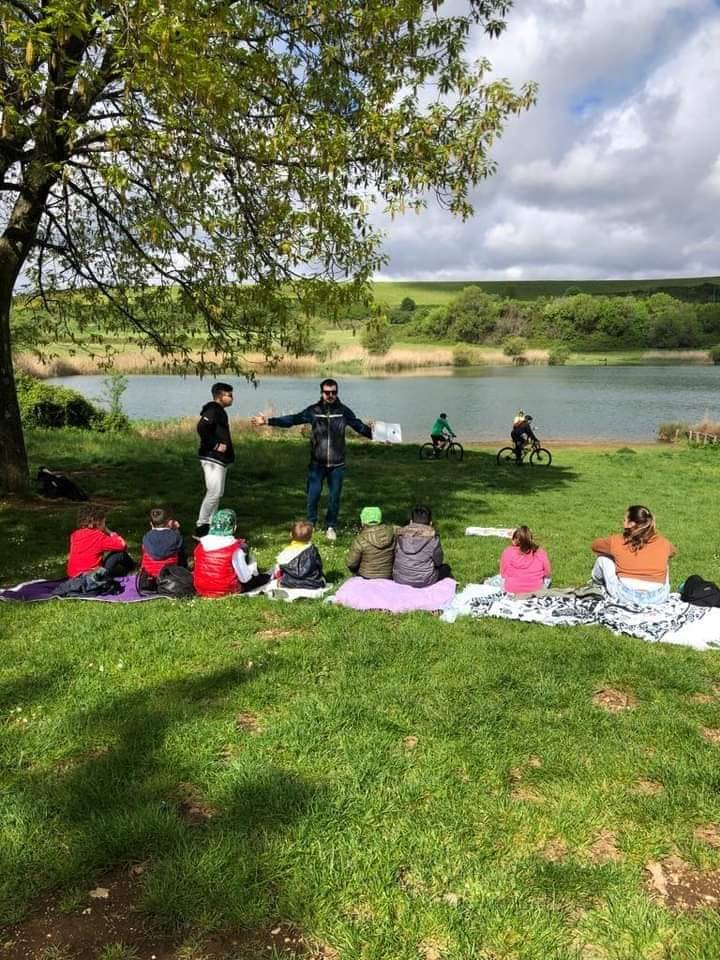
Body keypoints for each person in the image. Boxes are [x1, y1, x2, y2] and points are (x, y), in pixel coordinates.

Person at [251, 378, 371, 541]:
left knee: (334, 497)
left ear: (337, 393)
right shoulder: (313, 411)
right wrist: (267, 421)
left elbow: (360, 427)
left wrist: (379, 435)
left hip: (337, 464)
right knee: (312, 496)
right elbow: (293, 420)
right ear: (321, 393)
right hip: (317, 464)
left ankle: (331, 527)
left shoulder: (344, 412)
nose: (330, 395)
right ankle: (310, 525)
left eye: (333, 392)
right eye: (327, 392)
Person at [590, 504, 676, 606]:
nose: (623, 522)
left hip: (626, 595)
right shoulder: (664, 543)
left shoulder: (617, 541)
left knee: (603, 559)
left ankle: (597, 585)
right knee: (664, 563)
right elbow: (672, 552)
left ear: (631, 524)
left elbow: (595, 546)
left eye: (625, 520)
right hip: (658, 597)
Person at [193, 508, 267, 598]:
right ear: (234, 528)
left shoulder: (200, 545)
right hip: (226, 590)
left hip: (201, 589)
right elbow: (245, 579)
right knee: (254, 575)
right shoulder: (234, 548)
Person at [196, 382, 235, 539]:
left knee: (218, 493)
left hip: (220, 460)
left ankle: (212, 524)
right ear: (220, 396)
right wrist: (215, 445)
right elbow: (202, 427)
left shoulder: (219, 411)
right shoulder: (212, 409)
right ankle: (201, 526)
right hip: (212, 458)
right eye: (229, 395)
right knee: (214, 492)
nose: (232, 398)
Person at [67, 504, 135, 578]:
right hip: (92, 577)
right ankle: (133, 569)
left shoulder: (74, 535)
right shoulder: (99, 536)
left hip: (73, 576)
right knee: (120, 554)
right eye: (104, 523)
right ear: (98, 522)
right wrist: (109, 532)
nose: (105, 526)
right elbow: (123, 545)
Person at [392, 504, 451, 587]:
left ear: (411, 521)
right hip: (424, 581)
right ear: (430, 522)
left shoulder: (400, 534)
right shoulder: (433, 537)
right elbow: (438, 562)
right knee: (446, 568)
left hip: (399, 578)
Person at [491, 525, 551, 593]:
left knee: (493, 580)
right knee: (548, 579)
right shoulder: (540, 552)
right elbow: (547, 573)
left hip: (511, 589)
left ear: (514, 540)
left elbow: (503, 573)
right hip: (536, 590)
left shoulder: (508, 552)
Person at [273, 520, 326, 591]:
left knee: (278, 572)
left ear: (291, 534)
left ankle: (281, 584)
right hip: (312, 583)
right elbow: (319, 565)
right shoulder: (312, 550)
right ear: (310, 537)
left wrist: (278, 578)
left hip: (289, 583)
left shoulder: (286, 552)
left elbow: (279, 570)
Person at [346, 506, 396, 579]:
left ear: (363, 521)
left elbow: (351, 563)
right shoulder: (392, 533)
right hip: (388, 576)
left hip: (365, 577)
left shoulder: (360, 539)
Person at [140, 507, 187, 578]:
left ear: (151, 524)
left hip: (148, 576)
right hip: (169, 575)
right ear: (169, 522)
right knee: (181, 553)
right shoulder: (176, 537)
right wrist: (176, 530)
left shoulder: (146, 537)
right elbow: (181, 549)